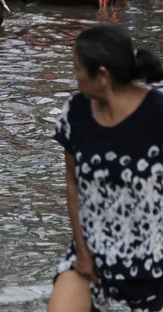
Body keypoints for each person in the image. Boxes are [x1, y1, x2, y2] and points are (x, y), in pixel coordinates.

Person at [48, 24, 163, 312]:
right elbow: (72, 183)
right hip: (92, 253)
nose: (74, 77)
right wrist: (82, 250)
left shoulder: (157, 113)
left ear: (102, 75)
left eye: (77, 69)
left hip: (154, 259)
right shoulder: (75, 112)